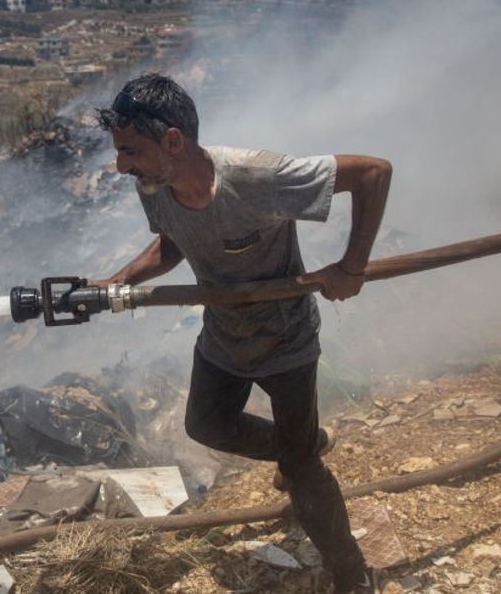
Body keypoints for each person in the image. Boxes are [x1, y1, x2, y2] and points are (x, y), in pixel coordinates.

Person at [90, 73, 391, 593]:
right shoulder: (154, 185)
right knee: (206, 425)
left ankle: (351, 572)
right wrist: (121, 282)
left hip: (286, 342)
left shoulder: (256, 176)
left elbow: (373, 174)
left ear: (173, 141)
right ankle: (307, 445)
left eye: (130, 151)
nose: (121, 165)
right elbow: (175, 241)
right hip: (223, 338)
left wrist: (353, 266)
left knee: (301, 472)